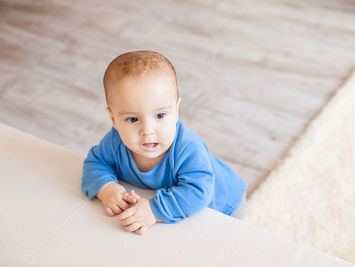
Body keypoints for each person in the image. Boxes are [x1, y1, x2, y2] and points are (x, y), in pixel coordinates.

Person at [82, 50, 247, 235]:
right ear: (113, 119)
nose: (147, 130)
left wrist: (154, 210)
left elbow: (198, 191)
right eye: (132, 119)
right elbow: (95, 162)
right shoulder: (115, 142)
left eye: (160, 115)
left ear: (176, 109)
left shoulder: (188, 148)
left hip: (224, 204)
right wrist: (106, 188)